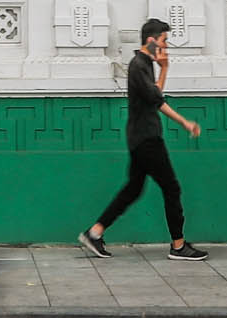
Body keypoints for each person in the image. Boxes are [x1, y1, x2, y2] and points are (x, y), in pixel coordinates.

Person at [79, 18, 207, 260]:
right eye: (164, 41)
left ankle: (94, 233)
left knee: (133, 189)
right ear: (151, 41)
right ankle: (178, 246)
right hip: (147, 138)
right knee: (172, 188)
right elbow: (157, 101)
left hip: (141, 137)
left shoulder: (146, 63)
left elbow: (154, 94)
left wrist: (164, 68)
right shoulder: (139, 65)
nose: (166, 47)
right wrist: (185, 122)